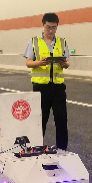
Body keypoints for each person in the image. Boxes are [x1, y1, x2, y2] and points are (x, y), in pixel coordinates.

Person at [23, 13, 70, 150]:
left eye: (54, 28)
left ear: (57, 27)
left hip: (58, 88)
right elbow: (28, 62)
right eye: (48, 27)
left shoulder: (62, 42)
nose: (51, 30)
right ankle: (36, 147)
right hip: (41, 88)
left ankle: (62, 149)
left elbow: (67, 63)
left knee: (61, 120)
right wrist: (39, 62)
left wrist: (64, 64)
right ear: (43, 25)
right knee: (40, 121)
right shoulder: (34, 41)